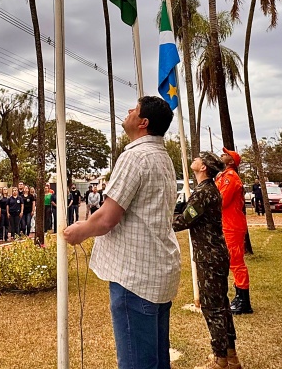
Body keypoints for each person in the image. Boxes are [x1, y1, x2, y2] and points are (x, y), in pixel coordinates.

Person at [62, 97, 180, 369]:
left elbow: (106, 219)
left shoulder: (135, 156)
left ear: (143, 122)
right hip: (158, 271)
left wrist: (80, 230)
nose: (128, 112)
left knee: (137, 362)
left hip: (134, 278)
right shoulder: (163, 157)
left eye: (134, 110)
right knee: (156, 359)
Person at [173, 153, 238, 369]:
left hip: (209, 257)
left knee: (213, 307)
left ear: (203, 168)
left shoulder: (203, 192)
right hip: (215, 254)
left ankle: (220, 360)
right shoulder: (209, 190)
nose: (196, 159)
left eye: (199, 158)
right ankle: (231, 355)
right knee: (222, 305)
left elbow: (185, 220)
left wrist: (160, 224)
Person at [218, 150, 253, 316]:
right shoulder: (223, 176)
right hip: (227, 224)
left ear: (232, 161)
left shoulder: (230, 177)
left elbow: (222, 200)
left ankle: (243, 301)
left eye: (225, 154)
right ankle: (239, 296)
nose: (221, 155)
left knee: (236, 262)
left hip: (232, 225)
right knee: (233, 262)